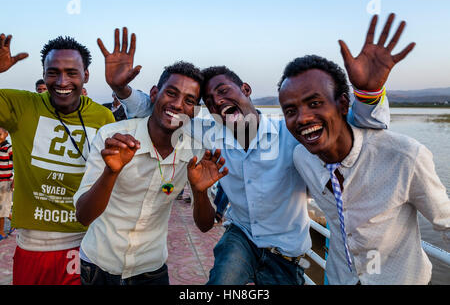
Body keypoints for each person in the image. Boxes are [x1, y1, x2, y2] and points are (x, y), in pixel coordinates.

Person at [109, 15, 394, 285]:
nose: (218, 102)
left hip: (286, 251)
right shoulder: (211, 133)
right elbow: (162, 113)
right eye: (209, 100)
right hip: (240, 235)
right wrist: (123, 90)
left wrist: (369, 94)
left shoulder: (290, 133)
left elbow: (353, 126)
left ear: (245, 89)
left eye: (223, 91)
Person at [278, 14, 450, 285]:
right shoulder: (302, 158)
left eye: (314, 103)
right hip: (339, 278)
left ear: (343, 104)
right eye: (290, 110)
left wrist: (370, 94)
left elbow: (446, 222)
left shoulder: (404, 157)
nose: (302, 118)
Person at [73, 57, 227, 284]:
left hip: (150, 270)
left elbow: (205, 225)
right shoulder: (113, 137)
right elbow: (83, 216)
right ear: (154, 93)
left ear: (194, 111)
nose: (177, 105)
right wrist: (111, 173)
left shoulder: (195, 151)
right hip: (98, 265)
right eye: (171, 93)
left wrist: (201, 191)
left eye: (189, 100)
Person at [0, 33, 115, 285]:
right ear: (43, 73)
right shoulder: (21, 105)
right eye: (53, 72)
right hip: (32, 247)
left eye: (72, 72)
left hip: (85, 245)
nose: (62, 81)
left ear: (86, 75)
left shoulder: (103, 117)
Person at [0, 127, 13, 241]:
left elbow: (18, 164)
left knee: (2, 209)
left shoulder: (8, 147)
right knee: (3, 208)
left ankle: (1, 232)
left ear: (6, 134)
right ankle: (15, 221)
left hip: (5, 182)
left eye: (1, 132)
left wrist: (15, 180)